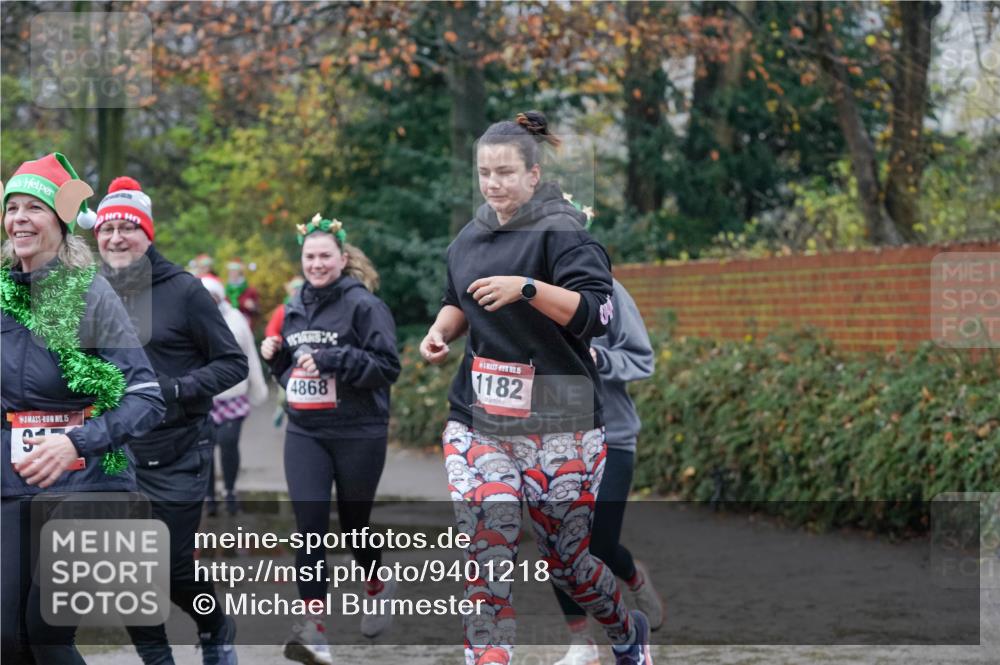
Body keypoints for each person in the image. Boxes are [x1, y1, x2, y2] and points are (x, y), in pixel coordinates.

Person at [419, 111, 653, 665]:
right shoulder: (469, 238)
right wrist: (440, 332)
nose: (493, 184)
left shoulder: (566, 233)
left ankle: (626, 633)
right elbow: (460, 299)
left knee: (568, 562)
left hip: (561, 420)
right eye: (484, 173)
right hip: (480, 420)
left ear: (533, 174)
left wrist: (528, 288)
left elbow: (597, 314)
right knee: (488, 541)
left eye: (505, 172)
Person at [1, 153, 165, 664]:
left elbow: (145, 397)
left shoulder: (92, 295)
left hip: (88, 481)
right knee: (6, 639)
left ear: (61, 221)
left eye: (34, 208)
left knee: (45, 633)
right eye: (12, 208)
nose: (19, 219)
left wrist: (75, 440)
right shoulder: (3, 295)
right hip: (13, 483)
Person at [93, 176, 248, 665]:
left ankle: (214, 625)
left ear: (148, 233)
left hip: (178, 449)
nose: (116, 238)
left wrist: (175, 388)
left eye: (127, 228)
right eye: (107, 228)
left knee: (174, 567)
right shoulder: (90, 292)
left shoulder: (185, 291)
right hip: (116, 453)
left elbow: (234, 364)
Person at [260, 216, 400, 665]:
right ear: (301, 261)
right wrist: (277, 360)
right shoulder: (294, 303)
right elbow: (294, 374)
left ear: (342, 259)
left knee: (354, 527)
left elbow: (387, 366)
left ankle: (376, 581)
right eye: (309, 257)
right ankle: (314, 630)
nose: (317, 263)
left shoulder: (363, 306)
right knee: (309, 529)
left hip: (359, 431)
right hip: (306, 430)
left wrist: (335, 358)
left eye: (325, 256)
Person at [551, 278, 663, 665]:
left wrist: (599, 360)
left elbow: (641, 359)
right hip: (549, 440)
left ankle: (631, 574)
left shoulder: (607, 291)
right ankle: (582, 643)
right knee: (559, 546)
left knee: (598, 544)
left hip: (611, 436)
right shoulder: (520, 285)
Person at [201, 275, 269, 516]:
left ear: (219, 296)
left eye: (212, 295)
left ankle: (230, 490)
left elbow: (250, 353)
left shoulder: (236, 318)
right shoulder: (192, 316)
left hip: (234, 394)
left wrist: (257, 387)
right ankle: (208, 496)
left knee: (229, 444)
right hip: (204, 397)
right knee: (205, 448)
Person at [225, 258, 260, 330]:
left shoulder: (250, 290)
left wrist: (253, 307)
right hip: (229, 324)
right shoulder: (224, 290)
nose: (232, 273)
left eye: (235, 271)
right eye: (231, 271)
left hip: (245, 325)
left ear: (240, 272)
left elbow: (258, 310)